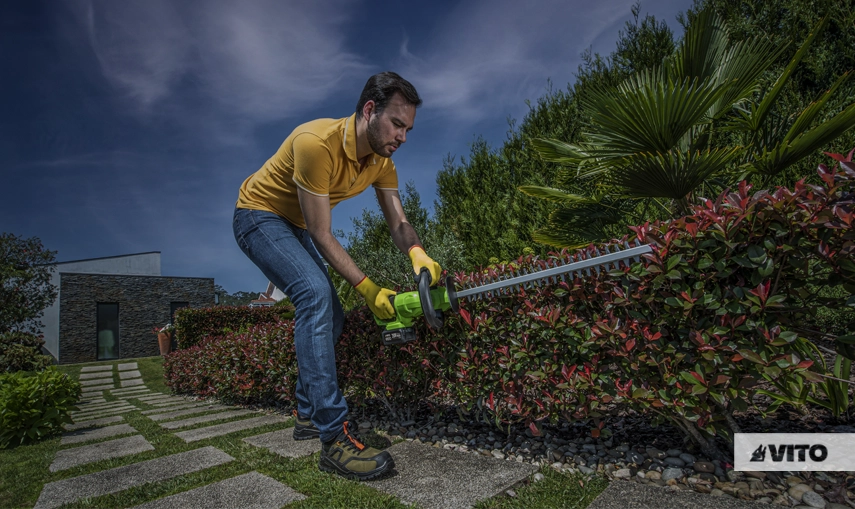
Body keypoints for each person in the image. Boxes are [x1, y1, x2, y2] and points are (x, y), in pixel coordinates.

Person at [232, 72, 442, 481]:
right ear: (369, 110)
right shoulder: (316, 143)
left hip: (291, 224)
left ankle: (307, 415)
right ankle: (333, 438)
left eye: (408, 128)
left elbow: (399, 223)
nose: (403, 136)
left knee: (334, 315)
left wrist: (419, 253)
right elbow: (321, 232)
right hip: (257, 215)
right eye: (397, 124)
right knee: (314, 295)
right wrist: (367, 288)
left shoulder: (382, 162)